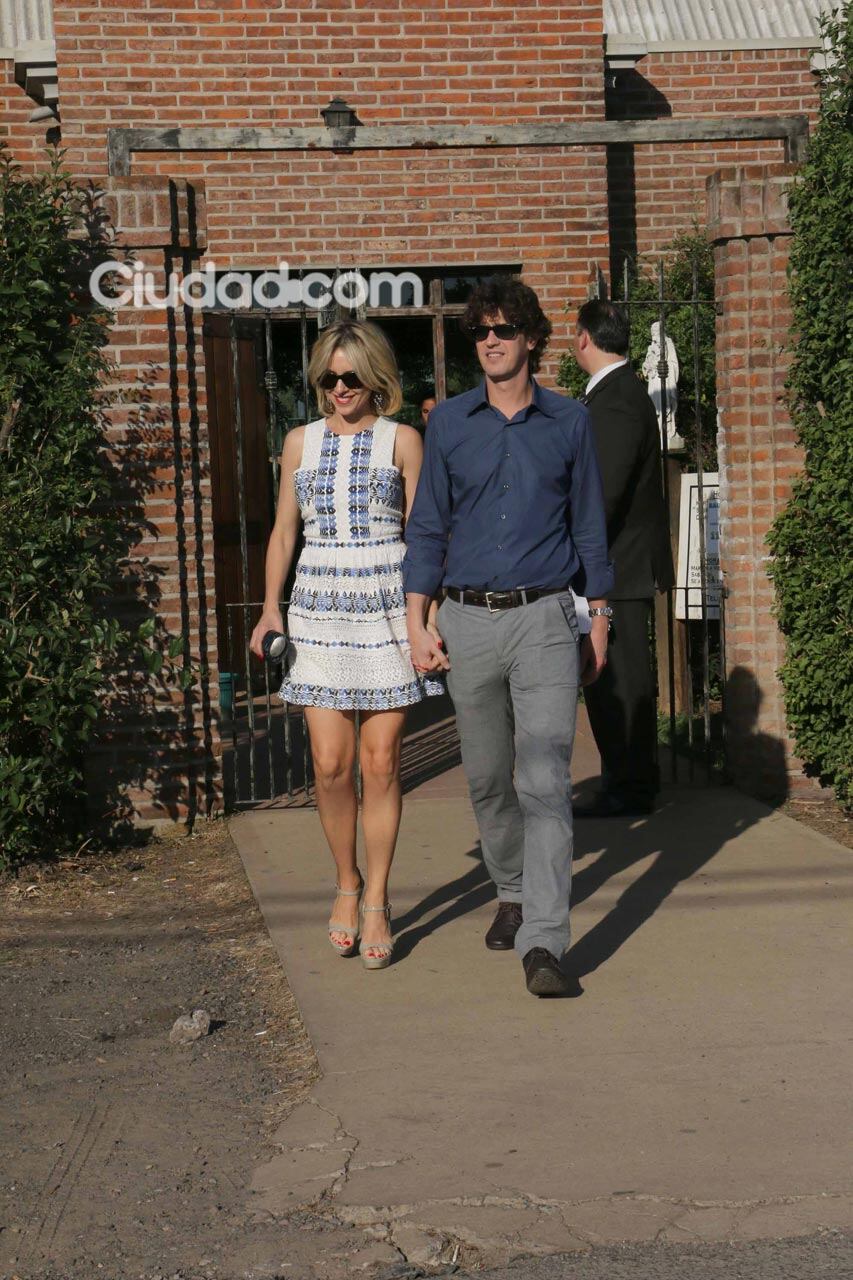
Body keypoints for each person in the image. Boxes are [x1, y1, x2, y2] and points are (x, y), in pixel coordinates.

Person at [403, 279, 613, 997]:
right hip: (464, 619)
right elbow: (427, 525)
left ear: (530, 339)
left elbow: (588, 525)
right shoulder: (451, 425)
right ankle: (513, 888)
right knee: (491, 778)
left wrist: (601, 617)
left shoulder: (568, 423)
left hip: (545, 615)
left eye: (502, 329)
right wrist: (415, 619)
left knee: (544, 775)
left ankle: (545, 943)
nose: (489, 341)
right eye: (480, 332)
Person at [250, 320, 443, 970]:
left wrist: (426, 617)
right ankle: (345, 883)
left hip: (388, 608)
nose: (339, 388)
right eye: (328, 377)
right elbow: (283, 530)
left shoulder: (404, 440)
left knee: (381, 762)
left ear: (375, 378)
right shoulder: (299, 441)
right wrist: (268, 609)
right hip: (317, 609)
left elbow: (424, 539)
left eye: (351, 377)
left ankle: (379, 900)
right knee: (330, 766)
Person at [572, 300, 675, 817]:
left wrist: (575, 552)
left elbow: (604, 493)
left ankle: (630, 786)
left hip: (618, 565)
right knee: (612, 677)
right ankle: (630, 778)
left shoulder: (614, 400)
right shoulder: (619, 393)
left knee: (619, 679)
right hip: (620, 563)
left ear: (584, 338)